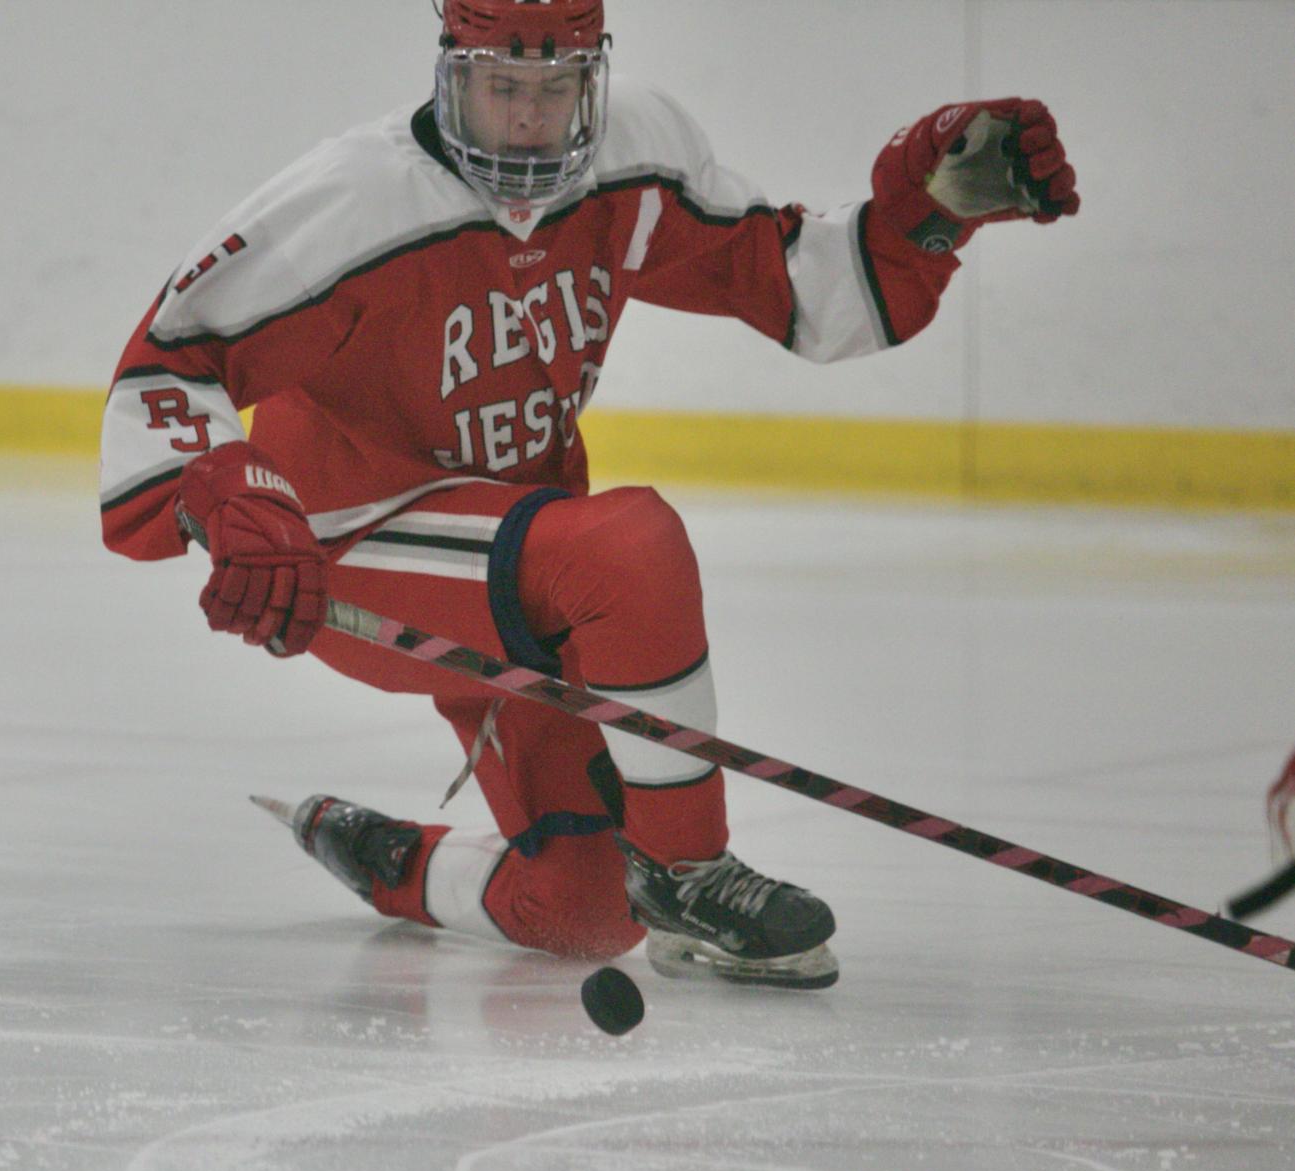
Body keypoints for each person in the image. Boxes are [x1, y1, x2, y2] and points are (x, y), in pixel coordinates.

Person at [99, 0, 1078, 988]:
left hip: (518, 563)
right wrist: (226, 490)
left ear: (594, 75)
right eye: (503, 86)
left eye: (557, 85)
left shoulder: (634, 159)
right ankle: (692, 873)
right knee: (627, 549)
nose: (530, 117)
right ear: (452, 69)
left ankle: (386, 856)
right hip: (351, 550)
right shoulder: (351, 203)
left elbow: (800, 291)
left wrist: (929, 217)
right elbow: (164, 368)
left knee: (584, 910)